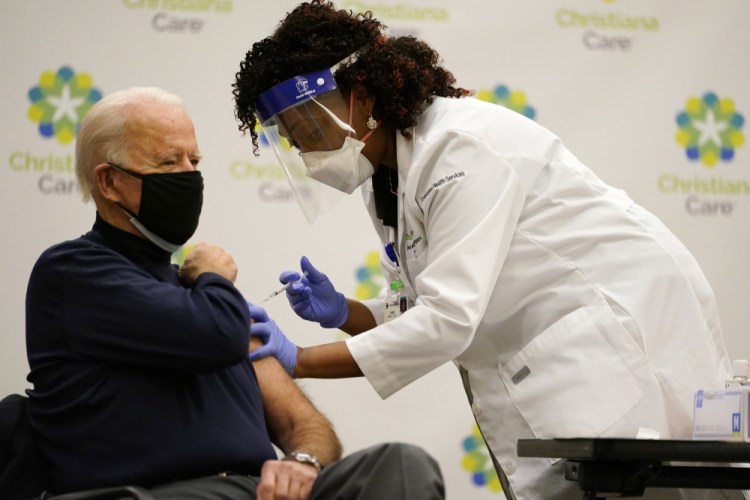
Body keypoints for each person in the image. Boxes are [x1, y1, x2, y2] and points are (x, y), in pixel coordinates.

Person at [232, 2, 744, 499]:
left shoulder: (458, 147)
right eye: (295, 141)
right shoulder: (388, 175)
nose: (308, 151)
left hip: (613, 330)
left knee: (650, 489)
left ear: (362, 95)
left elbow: (449, 320)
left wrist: (298, 360)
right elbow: (427, 306)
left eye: (312, 129)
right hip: (555, 349)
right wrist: (348, 313)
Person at [24, 86, 445, 500]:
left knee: (402, 465)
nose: (189, 175)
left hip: (256, 491)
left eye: (195, 160)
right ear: (110, 182)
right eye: (169, 161)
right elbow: (216, 335)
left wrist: (301, 464)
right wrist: (215, 280)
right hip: (159, 493)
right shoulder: (75, 273)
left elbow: (306, 425)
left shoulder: (207, 299)